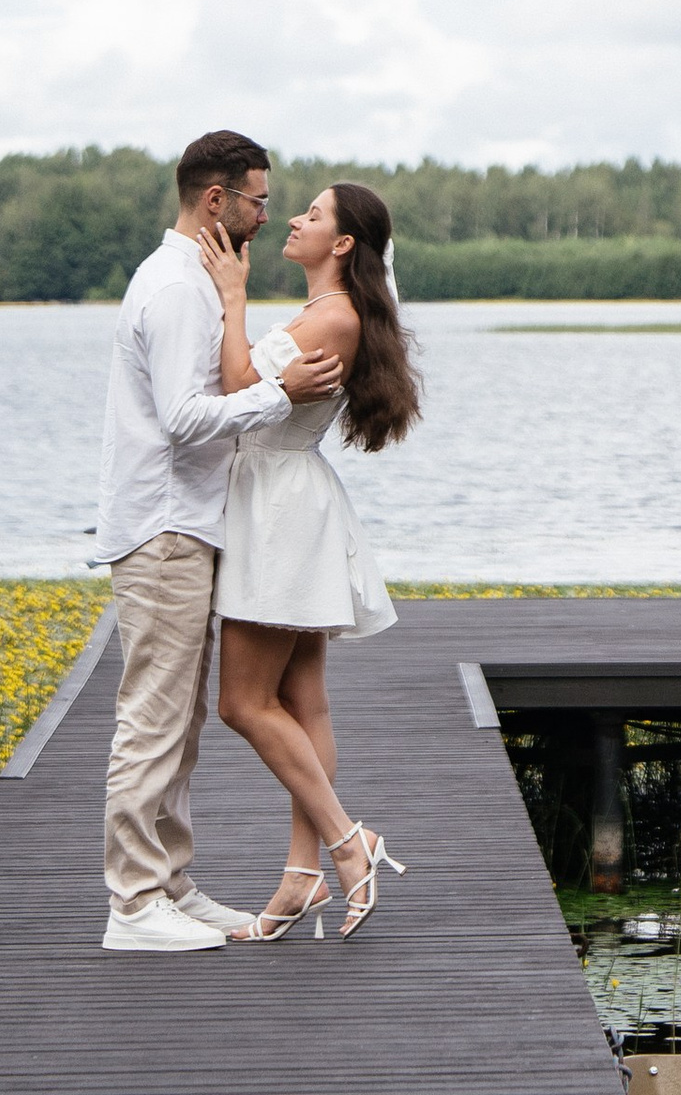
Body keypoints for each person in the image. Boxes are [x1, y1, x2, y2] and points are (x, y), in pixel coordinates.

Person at [94, 128, 344, 953]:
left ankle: (171, 882)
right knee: (152, 719)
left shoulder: (201, 278)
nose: (267, 216)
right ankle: (133, 905)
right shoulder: (173, 288)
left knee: (182, 722)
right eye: (259, 200)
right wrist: (279, 394)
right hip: (164, 525)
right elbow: (184, 416)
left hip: (191, 523)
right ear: (216, 200)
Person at [201, 176, 421, 940]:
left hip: (281, 509)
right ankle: (301, 875)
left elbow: (235, 391)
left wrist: (233, 297)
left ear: (344, 243)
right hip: (285, 496)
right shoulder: (328, 311)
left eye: (314, 214)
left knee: (243, 702)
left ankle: (346, 840)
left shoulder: (332, 316)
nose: (293, 218)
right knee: (303, 701)